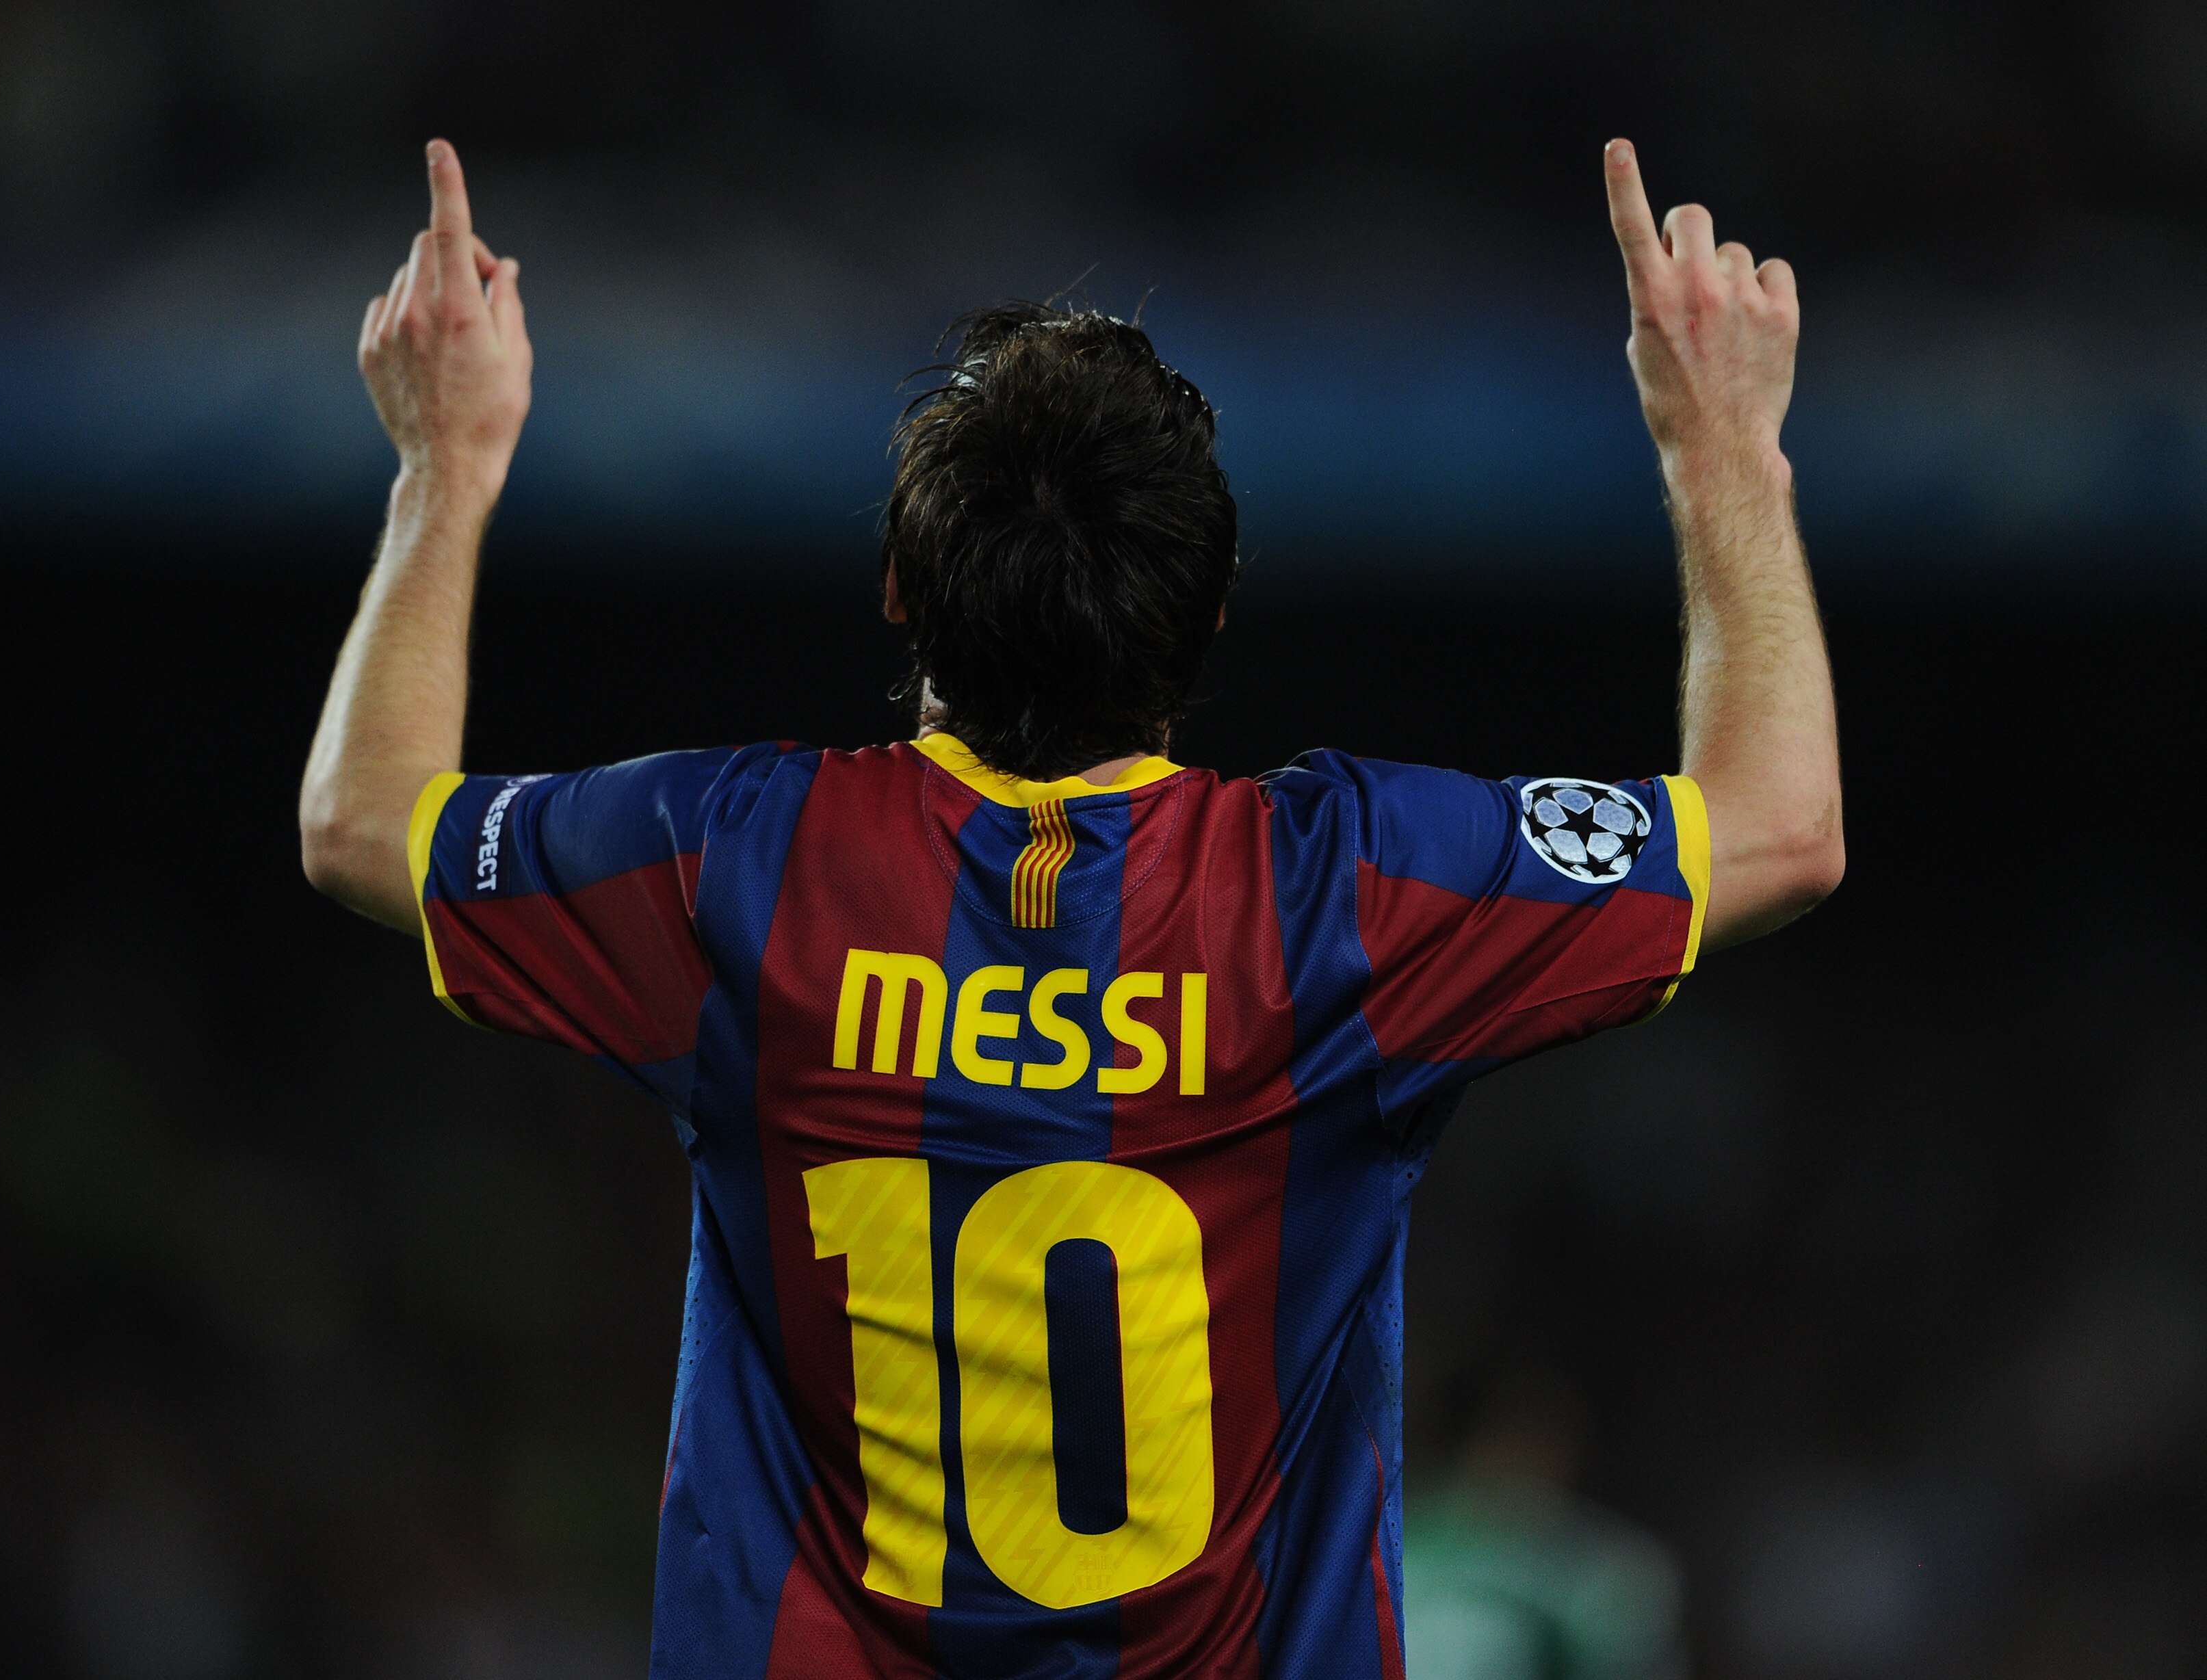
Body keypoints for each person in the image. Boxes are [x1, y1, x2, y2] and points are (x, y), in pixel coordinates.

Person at [299, 137, 1840, 1679]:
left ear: (900, 589)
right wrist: (1723, 452)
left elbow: (365, 825)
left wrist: (447, 465)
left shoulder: (736, 865)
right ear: (1211, 608)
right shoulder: (1348, 895)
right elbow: (1778, 833)